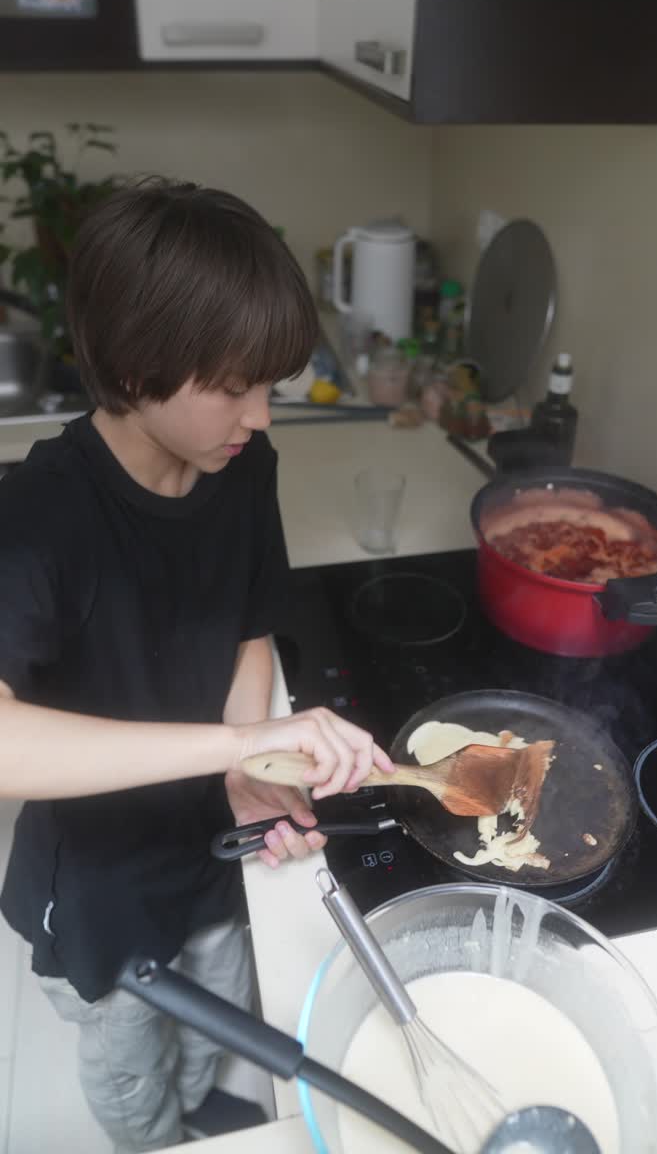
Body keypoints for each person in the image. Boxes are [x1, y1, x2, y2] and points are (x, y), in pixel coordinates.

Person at [0, 179, 394, 1152]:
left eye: (269, 384)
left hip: (212, 844)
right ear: (137, 366)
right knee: (129, 1054)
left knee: (215, 994)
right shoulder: (41, 515)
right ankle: (152, 1133)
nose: (259, 416)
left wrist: (240, 773)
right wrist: (245, 737)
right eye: (232, 384)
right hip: (97, 883)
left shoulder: (239, 464)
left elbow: (250, 624)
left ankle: (189, 1108)